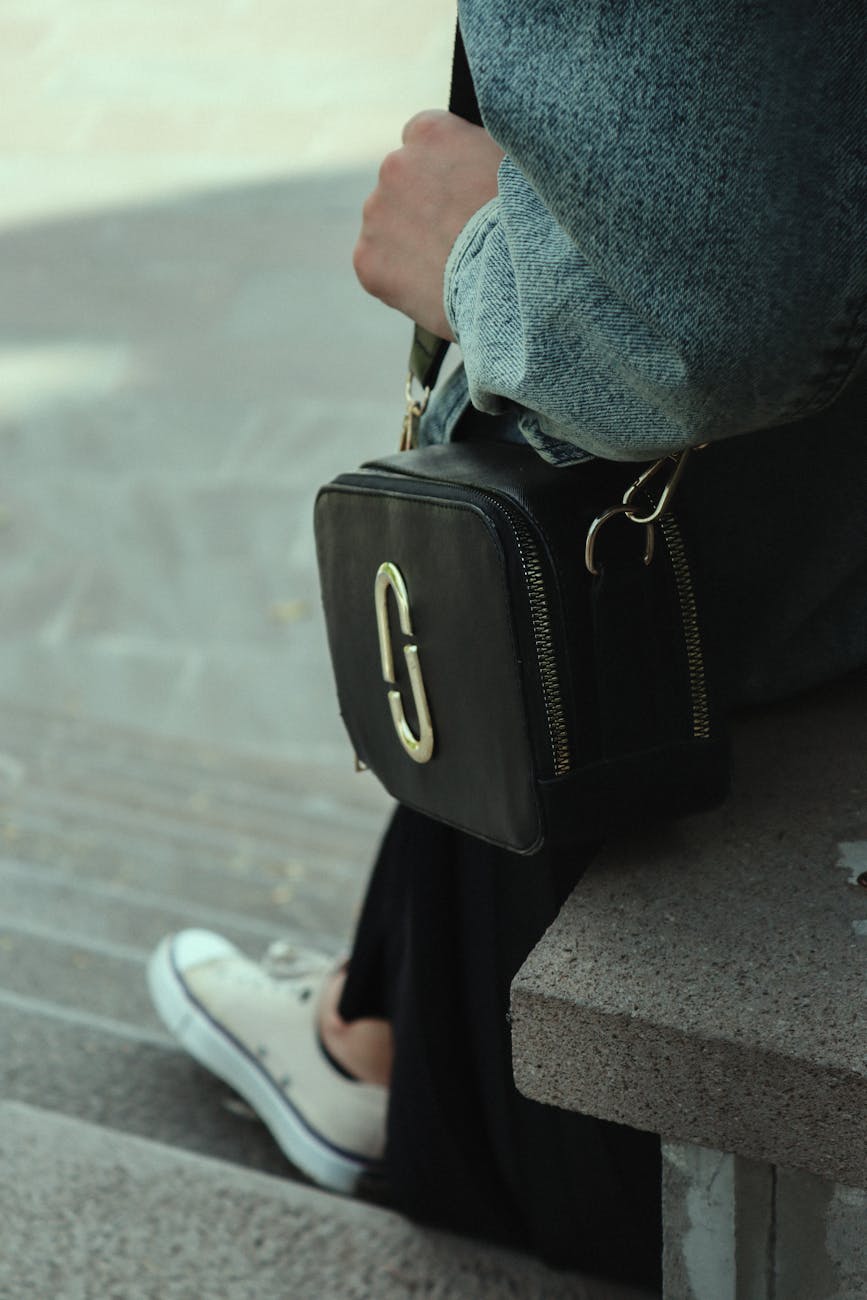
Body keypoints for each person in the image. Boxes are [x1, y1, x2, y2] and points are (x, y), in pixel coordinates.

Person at [148, 4, 867, 1290]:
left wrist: (478, 257)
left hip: (681, 616)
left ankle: (386, 1060)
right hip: (781, 578)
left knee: (510, 727)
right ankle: (372, 1023)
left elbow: (699, 325)